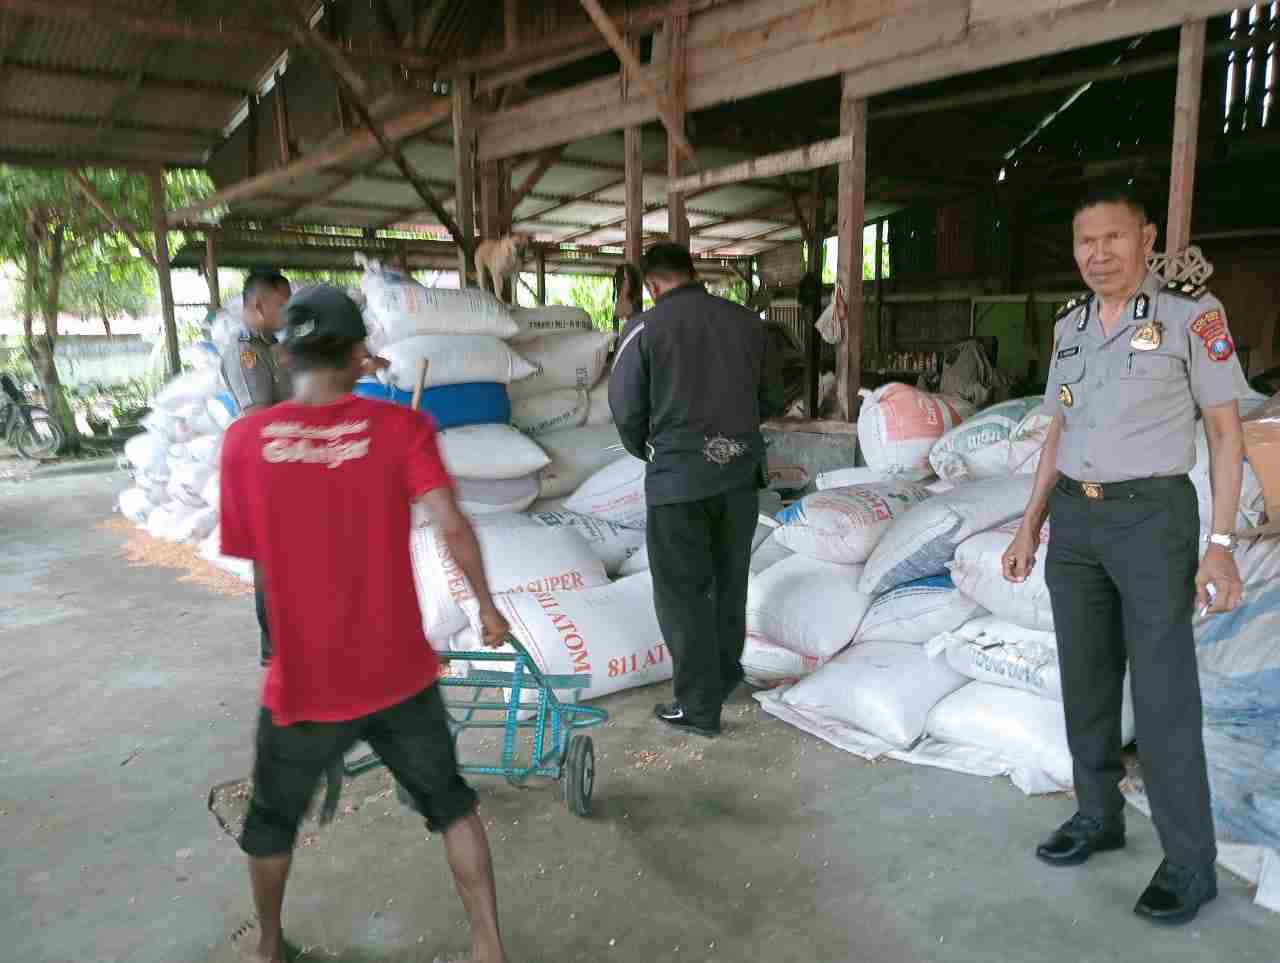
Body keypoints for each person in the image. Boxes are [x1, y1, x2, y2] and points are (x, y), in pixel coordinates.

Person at [218, 286, 511, 963]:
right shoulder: (401, 429)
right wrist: (487, 606)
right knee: (452, 805)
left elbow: (258, 563)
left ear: (285, 352)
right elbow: (454, 526)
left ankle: (267, 947)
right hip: (399, 672)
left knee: (270, 824)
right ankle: (489, 947)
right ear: (360, 354)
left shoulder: (245, 442)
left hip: (304, 684)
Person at [1002, 182, 1248, 926]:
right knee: (1085, 676)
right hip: (1076, 521)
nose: (1098, 254)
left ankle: (1188, 861)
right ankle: (1098, 814)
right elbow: (1058, 433)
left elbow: (1227, 433)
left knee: (1166, 692)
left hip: (1152, 519)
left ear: (1146, 240)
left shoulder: (1192, 319)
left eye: (1113, 238)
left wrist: (1222, 545)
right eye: (1085, 242)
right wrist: (1029, 522)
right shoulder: (1069, 326)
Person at [609, 243, 769, 738]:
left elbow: (625, 408)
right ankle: (723, 677)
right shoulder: (747, 323)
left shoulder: (645, 328)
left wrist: (654, 452)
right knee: (728, 581)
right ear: (692, 273)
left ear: (652, 285)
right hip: (739, 478)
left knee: (684, 595)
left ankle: (698, 707)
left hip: (678, 481)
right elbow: (771, 395)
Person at [220, 270, 294, 667]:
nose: (288, 312)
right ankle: (276, 650)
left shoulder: (274, 346)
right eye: (283, 305)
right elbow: (257, 417)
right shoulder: (246, 354)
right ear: (258, 305)